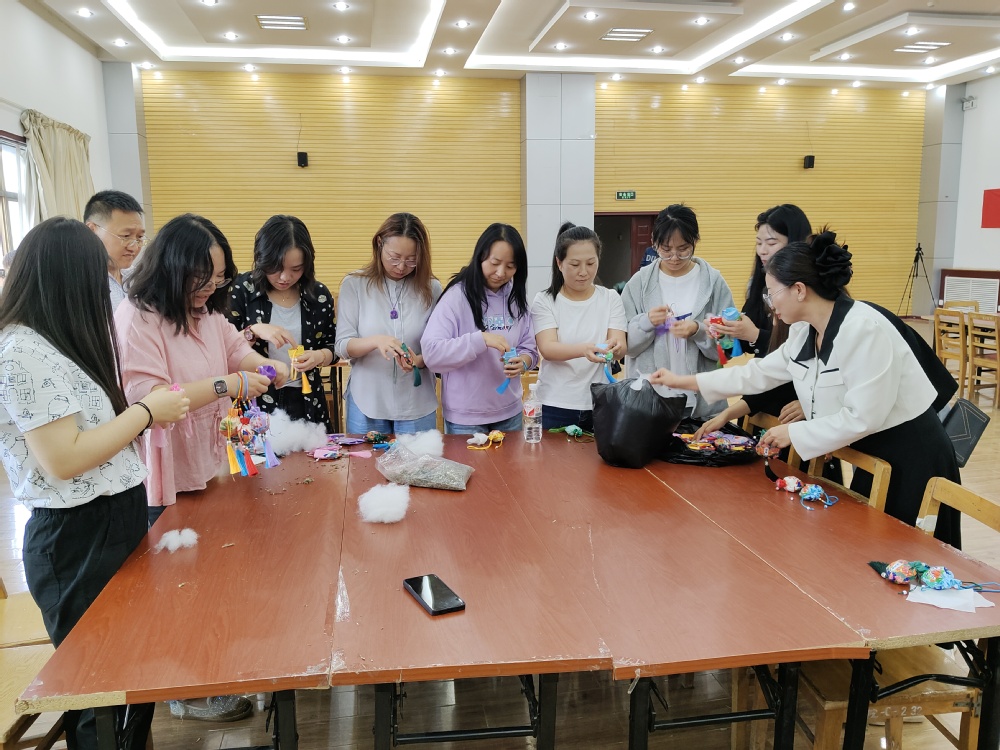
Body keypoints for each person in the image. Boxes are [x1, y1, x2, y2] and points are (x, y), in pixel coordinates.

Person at [0, 217, 190, 749]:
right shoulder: (21, 352)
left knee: (131, 673)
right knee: (95, 693)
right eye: (98, 276)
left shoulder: (56, 343)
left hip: (113, 518)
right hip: (76, 536)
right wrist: (146, 412)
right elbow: (65, 459)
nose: (107, 289)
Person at [649, 231, 962, 548]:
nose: (770, 304)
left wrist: (794, 433)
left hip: (912, 452)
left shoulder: (863, 328)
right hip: (874, 451)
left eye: (772, 293)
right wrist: (683, 381)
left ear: (799, 290)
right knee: (870, 545)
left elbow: (864, 417)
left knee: (909, 552)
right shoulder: (804, 331)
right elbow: (759, 374)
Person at [116, 214, 288, 722]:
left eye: (219, 278)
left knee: (213, 575)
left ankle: (216, 667)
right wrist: (229, 385)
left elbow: (236, 352)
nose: (211, 288)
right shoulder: (138, 319)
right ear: (171, 269)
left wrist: (267, 368)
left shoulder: (208, 314)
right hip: (167, 474)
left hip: (212, 465)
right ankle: (184, 689)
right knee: (177, 584)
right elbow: (151, 399)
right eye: (201, 279)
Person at [695, 204, 813, 437]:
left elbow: (798, 358)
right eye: (759, 243)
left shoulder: (809, 298)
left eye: (771, 243)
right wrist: (728, 333)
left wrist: (753, 335)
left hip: (792, 405)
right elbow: (758, 356)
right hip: (760, 397)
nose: (762, 251)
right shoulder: (761, 285)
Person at [421, 223, 538, 435]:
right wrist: (480, 340)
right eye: (494, 263)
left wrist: (524, 362)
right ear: (480, 257)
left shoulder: (517, 299)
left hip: (509, 412)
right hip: (466, 418)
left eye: (510, 266)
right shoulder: (456, 298)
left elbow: (529, 347)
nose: (501, 273)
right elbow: (432, 353)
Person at [621, 204, 735, 419]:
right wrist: (646, 322)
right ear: (654, 243)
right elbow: (626, 347)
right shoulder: (639, 284)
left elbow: (727, 348)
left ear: (695, 241)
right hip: (649, 402)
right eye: (665, 249)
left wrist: (698, 331)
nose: (674, 257)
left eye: (683, 249)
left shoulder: (713, 283)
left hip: (701, 404)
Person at [335, 212, 441, 434]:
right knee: (365, 458)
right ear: (379, 244)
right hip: (367, 400)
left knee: (419, 458)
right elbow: (342, 346)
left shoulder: (431, 288)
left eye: (411, 259)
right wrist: (376, 341)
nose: (401, 266)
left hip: (416, 402)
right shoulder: (354, 284)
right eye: (394, 257)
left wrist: (420, 361)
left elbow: (440, 346)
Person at [228, 215, 336, 428]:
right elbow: (223, 350)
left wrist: (318, 356)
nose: (285, 277)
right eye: (276, 268)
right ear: (262, 259)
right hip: (255, 398)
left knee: (311, 448)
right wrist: (254, 330)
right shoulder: (242, 290)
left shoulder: (318, 295)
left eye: (296, 269)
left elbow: (333, 346)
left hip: (307, 399)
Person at [530, 222, 626, 431]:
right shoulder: (545, 300)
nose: (583, 272)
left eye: (591, 263)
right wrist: (584, 350)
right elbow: (548, 349)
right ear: (559, 263)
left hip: (600, 402)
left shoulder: (610, 298)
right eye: (574, 264)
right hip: (555, 404)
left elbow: (620, 344)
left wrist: (615, 347)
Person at [83, 190, 147, 309]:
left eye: (139, 237)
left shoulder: (140, 278)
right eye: (126, 236)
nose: (134, 247)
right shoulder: (81, 283)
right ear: (92, 231)